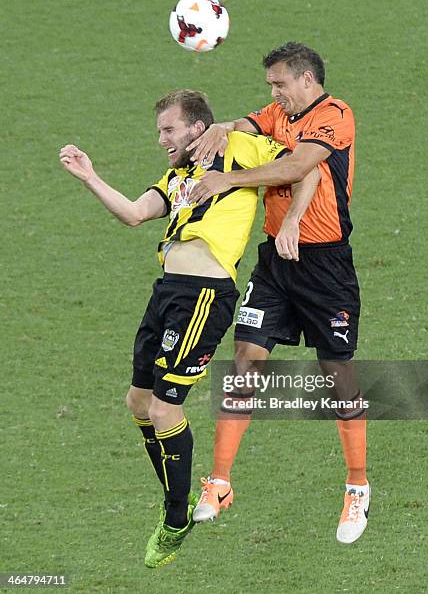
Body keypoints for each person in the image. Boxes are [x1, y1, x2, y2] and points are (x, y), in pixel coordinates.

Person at [59, 89, 320, 567]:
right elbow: (135, 214)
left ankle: (176, 514)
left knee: (162, 408)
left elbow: (306, 166)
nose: (162, 139)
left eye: (168, 129)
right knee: (137, 401)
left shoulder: (239, 149)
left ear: (198, 128)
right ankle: (174, 504)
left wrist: (291, 223)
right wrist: (89, 177)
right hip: (167, 291)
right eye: (160, 131)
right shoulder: (177, 175)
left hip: (204, 295)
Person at [187, 42, 369, 545]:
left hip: (326, 266)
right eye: (271, 85)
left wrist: (227, 180)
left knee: (338, 377)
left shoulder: (335, 116)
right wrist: (220, 128)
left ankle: (357, 485)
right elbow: (245, 123)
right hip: (275, 265)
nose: (274, 92)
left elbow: (298, 167)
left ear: (306, 79)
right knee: (245, 359)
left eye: (280, 83)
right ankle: (220, 482)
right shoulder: (278, 112)